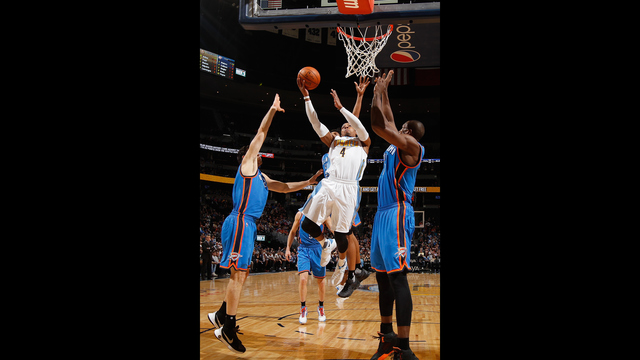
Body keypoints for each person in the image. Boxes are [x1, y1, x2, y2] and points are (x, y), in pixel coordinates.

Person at [207, 94, 323, 354]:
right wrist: (271, 111)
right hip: (240, 221)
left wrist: (308, 182)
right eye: (257, 152)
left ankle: (220, 315)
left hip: (247, 225)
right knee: (237, 277)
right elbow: (261, 132)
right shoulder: (248, 165)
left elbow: (282, 187)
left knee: (243, 274)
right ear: (249, 155)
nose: (260, 153)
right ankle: (227, 327)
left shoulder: (261, 176)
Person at [297, 76, 372, 299]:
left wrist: (343, 107)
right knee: (308, 223)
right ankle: (325, 243)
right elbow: (315, 123)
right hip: (329, 184)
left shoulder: (364, 142)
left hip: (349, 189)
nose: (346, 125)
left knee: (344, 236)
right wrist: (307, 97)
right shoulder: (334, 141)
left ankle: (342, 264)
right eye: (343, 125)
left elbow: (356, 123)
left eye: (349, 125)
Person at [368, 71, 425, 360]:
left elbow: (379, 124)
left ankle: (404, 349)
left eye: (403, 128)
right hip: (381, 216)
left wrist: (374, 95)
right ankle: (387, 336)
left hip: (397, 214)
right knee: (381, 278)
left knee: (399, 278)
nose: (397, 128)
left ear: (410, 133)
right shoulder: (397, 143)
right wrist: (384, 90)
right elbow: (388, 120)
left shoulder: (412, 148)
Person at [286, 211, 332, 324]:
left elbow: (334, 229)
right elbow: (292, 232)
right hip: (304, 249)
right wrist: (287, 248)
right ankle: (303, 308)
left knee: (321, 282)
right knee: (303, 279)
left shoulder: (323, 214)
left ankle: (321, 307)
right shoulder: (300, 214)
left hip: (318, 248)